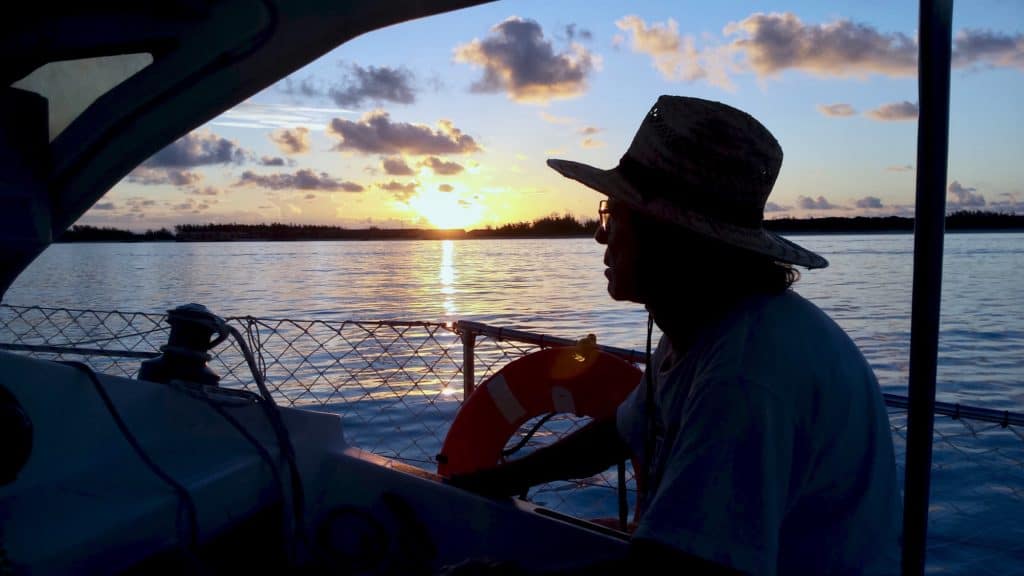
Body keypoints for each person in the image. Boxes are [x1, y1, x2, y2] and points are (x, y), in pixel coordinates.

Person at [447, 95, 903, 575]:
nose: (601, 238)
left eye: (612, 216)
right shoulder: (705, 325)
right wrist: (498, 480)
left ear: (669, 238)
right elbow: (624, 431)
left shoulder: (745, 373)